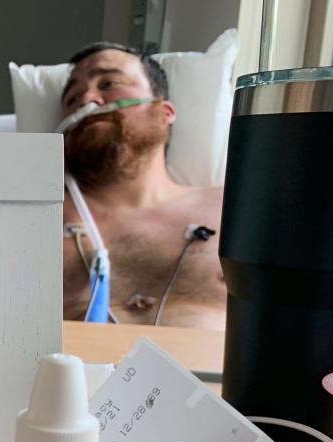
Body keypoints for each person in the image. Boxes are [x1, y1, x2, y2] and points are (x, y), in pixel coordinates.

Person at [60, 42, 226, 331]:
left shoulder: (233, 211)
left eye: (109, 83)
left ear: (165, 111)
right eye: (73, 98)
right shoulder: (31, 217)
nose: (87, 99)